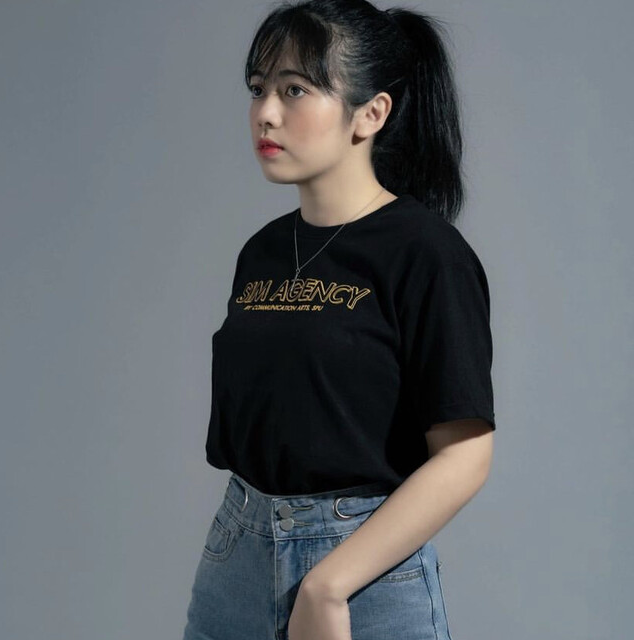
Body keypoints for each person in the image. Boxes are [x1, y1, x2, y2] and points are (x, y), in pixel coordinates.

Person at [183, 1, 496, 639]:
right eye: (258, 89)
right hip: (237, 556)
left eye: (295, 89)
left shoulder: (426, 253)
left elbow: (465, 454)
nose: (266, 113)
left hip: (363, 573)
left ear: (371, 113)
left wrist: (329, 585)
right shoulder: (263, 251)